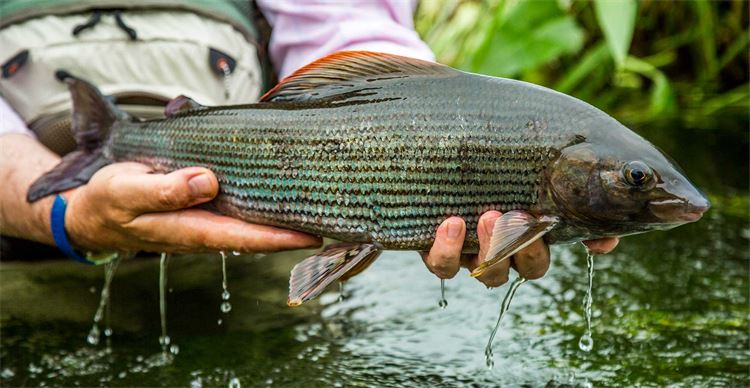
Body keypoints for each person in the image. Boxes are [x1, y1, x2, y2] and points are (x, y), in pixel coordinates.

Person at [0, 0, 617, 287]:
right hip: (22, 237)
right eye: (635, 180)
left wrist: (435, 137)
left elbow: (344, 26)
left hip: (252, 238)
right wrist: (61, 213)